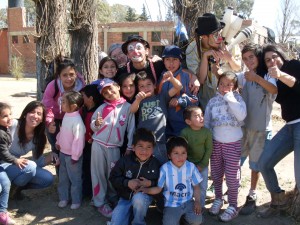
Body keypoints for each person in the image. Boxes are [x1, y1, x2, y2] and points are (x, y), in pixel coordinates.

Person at [257, 44, 300, 217]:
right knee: (264, 163)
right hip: (289, 126)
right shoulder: (271, 77)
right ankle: (279, 202)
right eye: (267, 60)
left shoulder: (294, 65)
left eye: (274, 56)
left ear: (281, 55)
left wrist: (281, 75)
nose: (272, 61)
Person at [237, 43, 277, 215]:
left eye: (251, 57)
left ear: (258, 57)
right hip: (243, 128)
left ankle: (252, 194)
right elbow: (229, 78)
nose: (248, 61)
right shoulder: (244, 76)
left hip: (260, 129)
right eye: (245, 59)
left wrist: (257, 79)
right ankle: (231, 189)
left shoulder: (268, 76)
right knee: (236, 160)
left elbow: (274, 89)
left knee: (255, 165)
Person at [204, 71, 246, 222]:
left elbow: (241, 116)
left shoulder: (238, 99)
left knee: (232, 176)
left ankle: (233, 205)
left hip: (233, 144)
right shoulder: (212, 102)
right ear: (218, 84)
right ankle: (218, 198)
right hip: (216, 143)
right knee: (215, 173)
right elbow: (207, 122)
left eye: (229, 84)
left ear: (234, 86)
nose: (224, 87)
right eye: (222, 84)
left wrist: (230, 98)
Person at [90, 78, 135, 218]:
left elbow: (131, 128)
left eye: (110, 88)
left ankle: (113, 198)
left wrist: (129, 147)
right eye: (105, 92)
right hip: (98, 144)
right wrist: (96, 124)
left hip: (115, 147)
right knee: (98, 173)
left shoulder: (128, 107)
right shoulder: (102, 107)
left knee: (113, 174)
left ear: (117, 87)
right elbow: (93, 125)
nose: (109, 93)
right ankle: (99, 202)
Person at [140, 136, 203, 225]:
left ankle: (184, 219)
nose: (180, 156)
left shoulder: (191, 167)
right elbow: (158, 188)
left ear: (187, 154)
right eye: (176, 153)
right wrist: (146, 190)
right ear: (169, 155)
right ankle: (168, 212)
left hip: (188, 202)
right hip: (171, 204)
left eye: (183, 153)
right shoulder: (165, 169)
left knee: (197, 221)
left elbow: (196, 187)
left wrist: (197, 201)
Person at [185, 13, 241, 110]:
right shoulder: (193, 48)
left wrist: (229, 58)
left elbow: (237, 67)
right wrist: (205, 57)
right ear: (204, 36)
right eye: (215, 34)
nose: (220, 37)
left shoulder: (229, 43)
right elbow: (200, 80)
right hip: (207, 101)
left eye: (220, 32)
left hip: (230, 99)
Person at [108, 128, 161, 225]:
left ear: (153, 149)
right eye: (140, 146)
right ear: (133, 147)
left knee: (138, 198)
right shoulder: (125, 161)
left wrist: (150, 183)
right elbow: (113, 178)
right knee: (116, 223)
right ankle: (130, 213)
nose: (144, 150)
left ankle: (138, 221)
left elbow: (161, 184)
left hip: (143, 198)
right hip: (125, 198)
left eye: (148, 147)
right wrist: (127, 182)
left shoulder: (156, 164)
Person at [2, 101, 54, 197]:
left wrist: (52, 157)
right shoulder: (13, 124)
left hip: (15, 166)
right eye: (32, 112)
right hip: (2, 162)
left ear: (42, 119)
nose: (35, 116)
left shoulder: (38, 137)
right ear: (25, 114)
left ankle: (14, 189)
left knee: (47, 178)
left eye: (39, 114)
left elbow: (37, 162)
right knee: (30, 166)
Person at [42, 57, 85, 170]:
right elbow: (47, 105)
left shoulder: (81, 87)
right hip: (55, 119)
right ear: (59, 76)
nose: (68, 78)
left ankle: (73, 171)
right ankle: (61, 174)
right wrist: (49, 121)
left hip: (73, 119)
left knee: (73, 146)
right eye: (64, 75)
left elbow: (82, 105)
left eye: (71, 74)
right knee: (57, 147)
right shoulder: (53, 86)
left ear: (76, 73)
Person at [130, 71, 182, 164]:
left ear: (154, 85)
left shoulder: (161, 97)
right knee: (143, 166)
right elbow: (132, 110)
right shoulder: (140, 100)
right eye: (142, 86)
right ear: (138, 89)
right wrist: (137, 100)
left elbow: (178, 87)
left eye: (148, 84)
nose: (145, 88)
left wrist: (172, 79)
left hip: (159, 140)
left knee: (161, 166)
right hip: (142, 141)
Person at [159, 45, 198, 138]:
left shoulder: (187, 77)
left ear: (180, 61)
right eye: (167, 59)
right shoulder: (161, 77)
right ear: (163, 61)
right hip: (164, 126)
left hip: (183, 126)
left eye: (175, 59)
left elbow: (195, 101)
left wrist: (180, 100)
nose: (171, 63)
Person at [56, 91, 85, 210]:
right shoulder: (67, 116)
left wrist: (75, 156)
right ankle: (64, 198)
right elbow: (62, 132)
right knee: (63, 178)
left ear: (73, 106)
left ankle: (76, 200)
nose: (61, 104)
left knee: (75, 179)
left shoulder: (77, 121)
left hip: (73, 157)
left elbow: (78, 140)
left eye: (63, 102)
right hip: (63, 153)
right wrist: (58, 142)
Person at [180, 106, 213, 209]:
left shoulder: (207, 132)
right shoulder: (184, 133)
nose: (201, 118)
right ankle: (189, 208)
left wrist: (202, 164)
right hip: (188, 166)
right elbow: (182, 151)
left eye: (202, 115)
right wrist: (189, 165)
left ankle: (200, 208)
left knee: (202, 187)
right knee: (188, 187)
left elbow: (208, 149)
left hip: (202, 166)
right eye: (197, 116)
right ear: (188, 121)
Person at [80, 84, 102, 198]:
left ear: (91, 98)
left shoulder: (97, 112)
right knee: (84, 167)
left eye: (83, 95)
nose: (81, 97)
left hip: (92, 145)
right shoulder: (82, 110)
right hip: (83, 144)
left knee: (90, 169)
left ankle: (89, 192)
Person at [0, 103, 17, 225]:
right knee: (4, 184)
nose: (9, 117)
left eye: (10, 114)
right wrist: (15, 160)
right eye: (5, 116)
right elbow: (4, 154)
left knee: (5, 183)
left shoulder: (5, 128)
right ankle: (2, 213)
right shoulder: (1, 134)